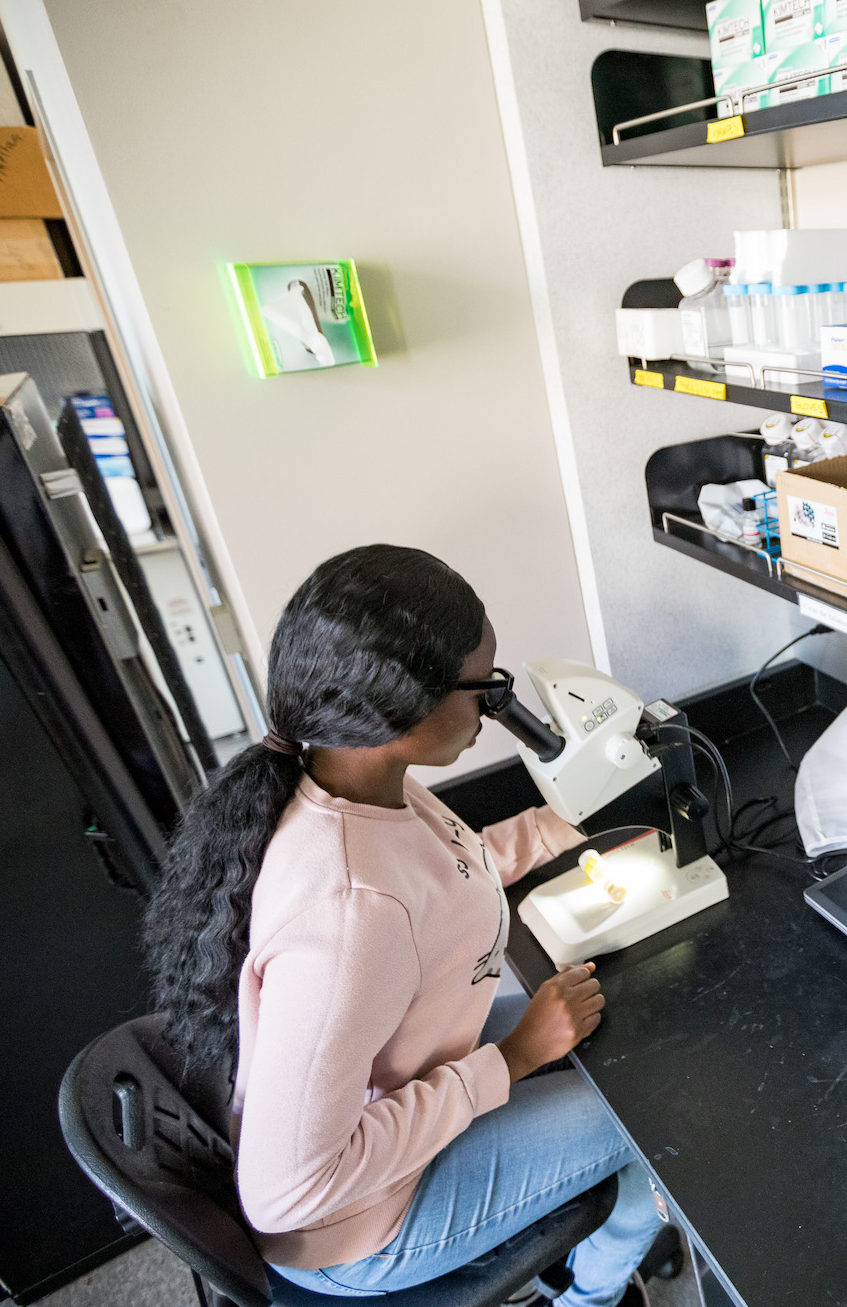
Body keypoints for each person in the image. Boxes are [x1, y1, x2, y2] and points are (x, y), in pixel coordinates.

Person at [142, 545, 664, 1305]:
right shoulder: (349, 915)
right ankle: (593, 1298)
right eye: (484, 688)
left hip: (402, 1087)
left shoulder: (360, 782)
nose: (495, 707)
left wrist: (565, 822)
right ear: (399, 705)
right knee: (652, 1115)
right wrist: (513, 1059)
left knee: (627, 1031)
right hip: (356, 1228)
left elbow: (448, 869)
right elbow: (287, 1193)